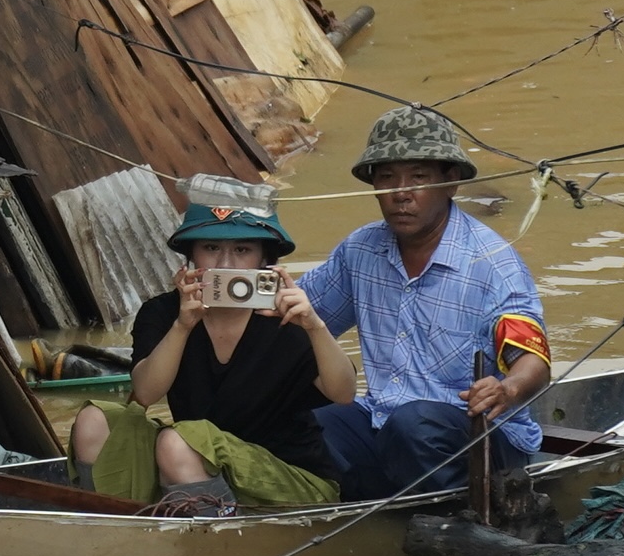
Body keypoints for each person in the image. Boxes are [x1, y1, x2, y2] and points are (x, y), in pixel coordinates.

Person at [300, 106, 552, 501]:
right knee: (309, 425)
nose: (401, 194)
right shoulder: (360, 250)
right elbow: (304, 315)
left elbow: (532, 360)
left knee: (414, 424)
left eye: (417, 177)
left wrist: (508, 389)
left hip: (481, 436)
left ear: (450, 182)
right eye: (387, 178)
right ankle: (370, 512)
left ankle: (458, 524)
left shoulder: (492, 264)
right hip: (386, 423)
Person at [69, 205, 356, 515]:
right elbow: (146, 394)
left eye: (242, 250)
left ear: (264, 261)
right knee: (94, 421)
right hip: (188, 461)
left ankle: (219, 544)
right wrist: (183, 325)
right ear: (192, 256)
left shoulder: (284, 316)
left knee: (178, 442)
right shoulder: (164, 313)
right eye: (211, 248)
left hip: (288, 478)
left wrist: (315, 325)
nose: (226, 263)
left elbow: (343, 393)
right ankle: (112, 532)